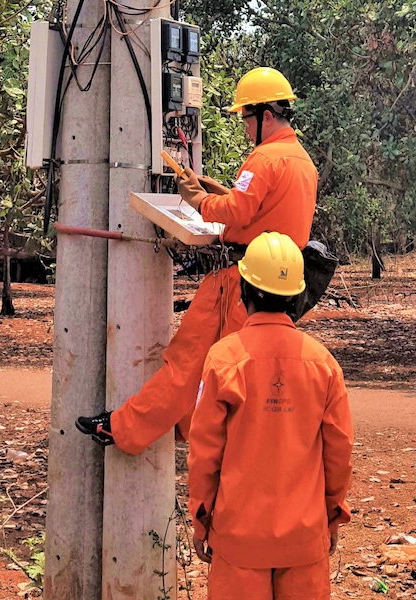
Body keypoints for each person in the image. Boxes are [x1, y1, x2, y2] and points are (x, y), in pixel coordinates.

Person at [76, 67, 318, 453]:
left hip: (239, 282)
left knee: (186, 362)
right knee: (237, 372)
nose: (244, 127)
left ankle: (124, 429)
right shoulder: (302, 161)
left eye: (246, 118)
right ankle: (188, 430)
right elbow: (263, 210)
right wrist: (214, 191)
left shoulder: (264, 159)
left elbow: (237, 212)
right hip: (277, 286)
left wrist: (198, 200)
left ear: (266, 116)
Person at [189, 232, 353, 600]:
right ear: (297, 296)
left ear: (244, 289)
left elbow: (204, 454)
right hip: (304, 541)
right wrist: (332, 516)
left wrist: (201, 519)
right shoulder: (323, 364)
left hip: (238, 543)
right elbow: (339, 451)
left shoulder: (223, 360)